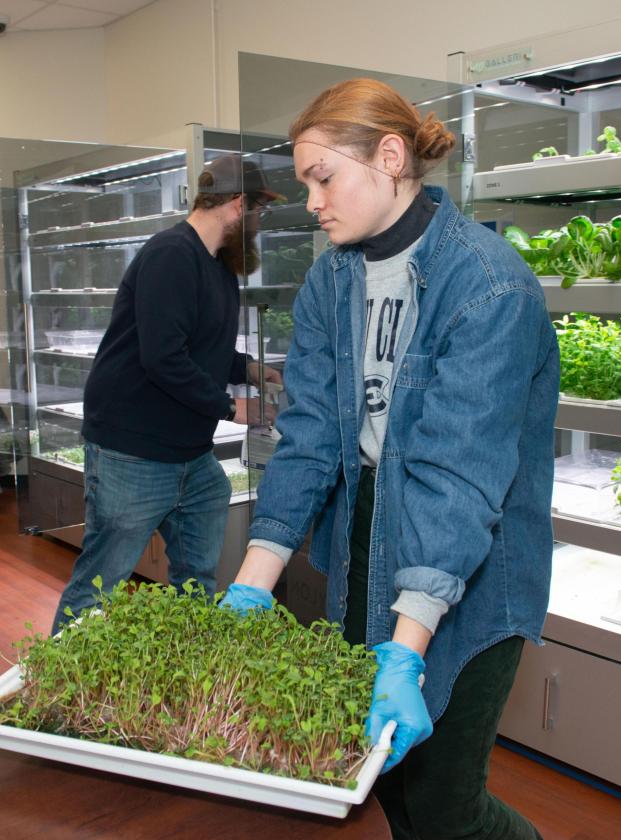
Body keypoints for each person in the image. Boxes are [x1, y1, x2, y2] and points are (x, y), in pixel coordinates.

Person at [220, 79, 558, 840]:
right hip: (367, 534)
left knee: (444, 807)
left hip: (475, 552)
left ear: (392, 157)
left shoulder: (489, 286)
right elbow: (307, 433)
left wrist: (404, 658)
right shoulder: (330, 279)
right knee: (383, 780)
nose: (312, 200)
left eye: (323, 177)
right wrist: (254, 579)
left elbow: (457, 477)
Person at [52, 155, 282, 632]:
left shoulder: (217, 265)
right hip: (130, 453)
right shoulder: (171, 254)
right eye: (259, 211)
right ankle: (50, 697)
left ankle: (186, 686)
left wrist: (253, 370)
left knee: (196, 580)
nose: (260, 222)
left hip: (190, 458)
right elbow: (164, 358)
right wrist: (234, 407)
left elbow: (203, 347)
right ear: (238, 205)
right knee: (99, 586)